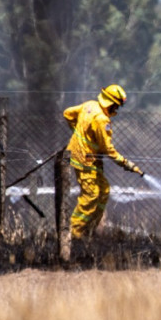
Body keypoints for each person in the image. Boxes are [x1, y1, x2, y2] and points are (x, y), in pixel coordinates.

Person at [63, 84, 144, 239]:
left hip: (90, 158)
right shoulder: (102, 120)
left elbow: (67, 114)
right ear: (111, 103)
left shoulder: (89, 105)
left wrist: (78, 132)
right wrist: (126, 163)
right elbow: (108, 149)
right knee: (91, 195)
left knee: (104, 190)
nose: (117, 110)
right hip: (84, 160)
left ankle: (90, 228)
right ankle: (74, 233)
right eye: (116, 106)